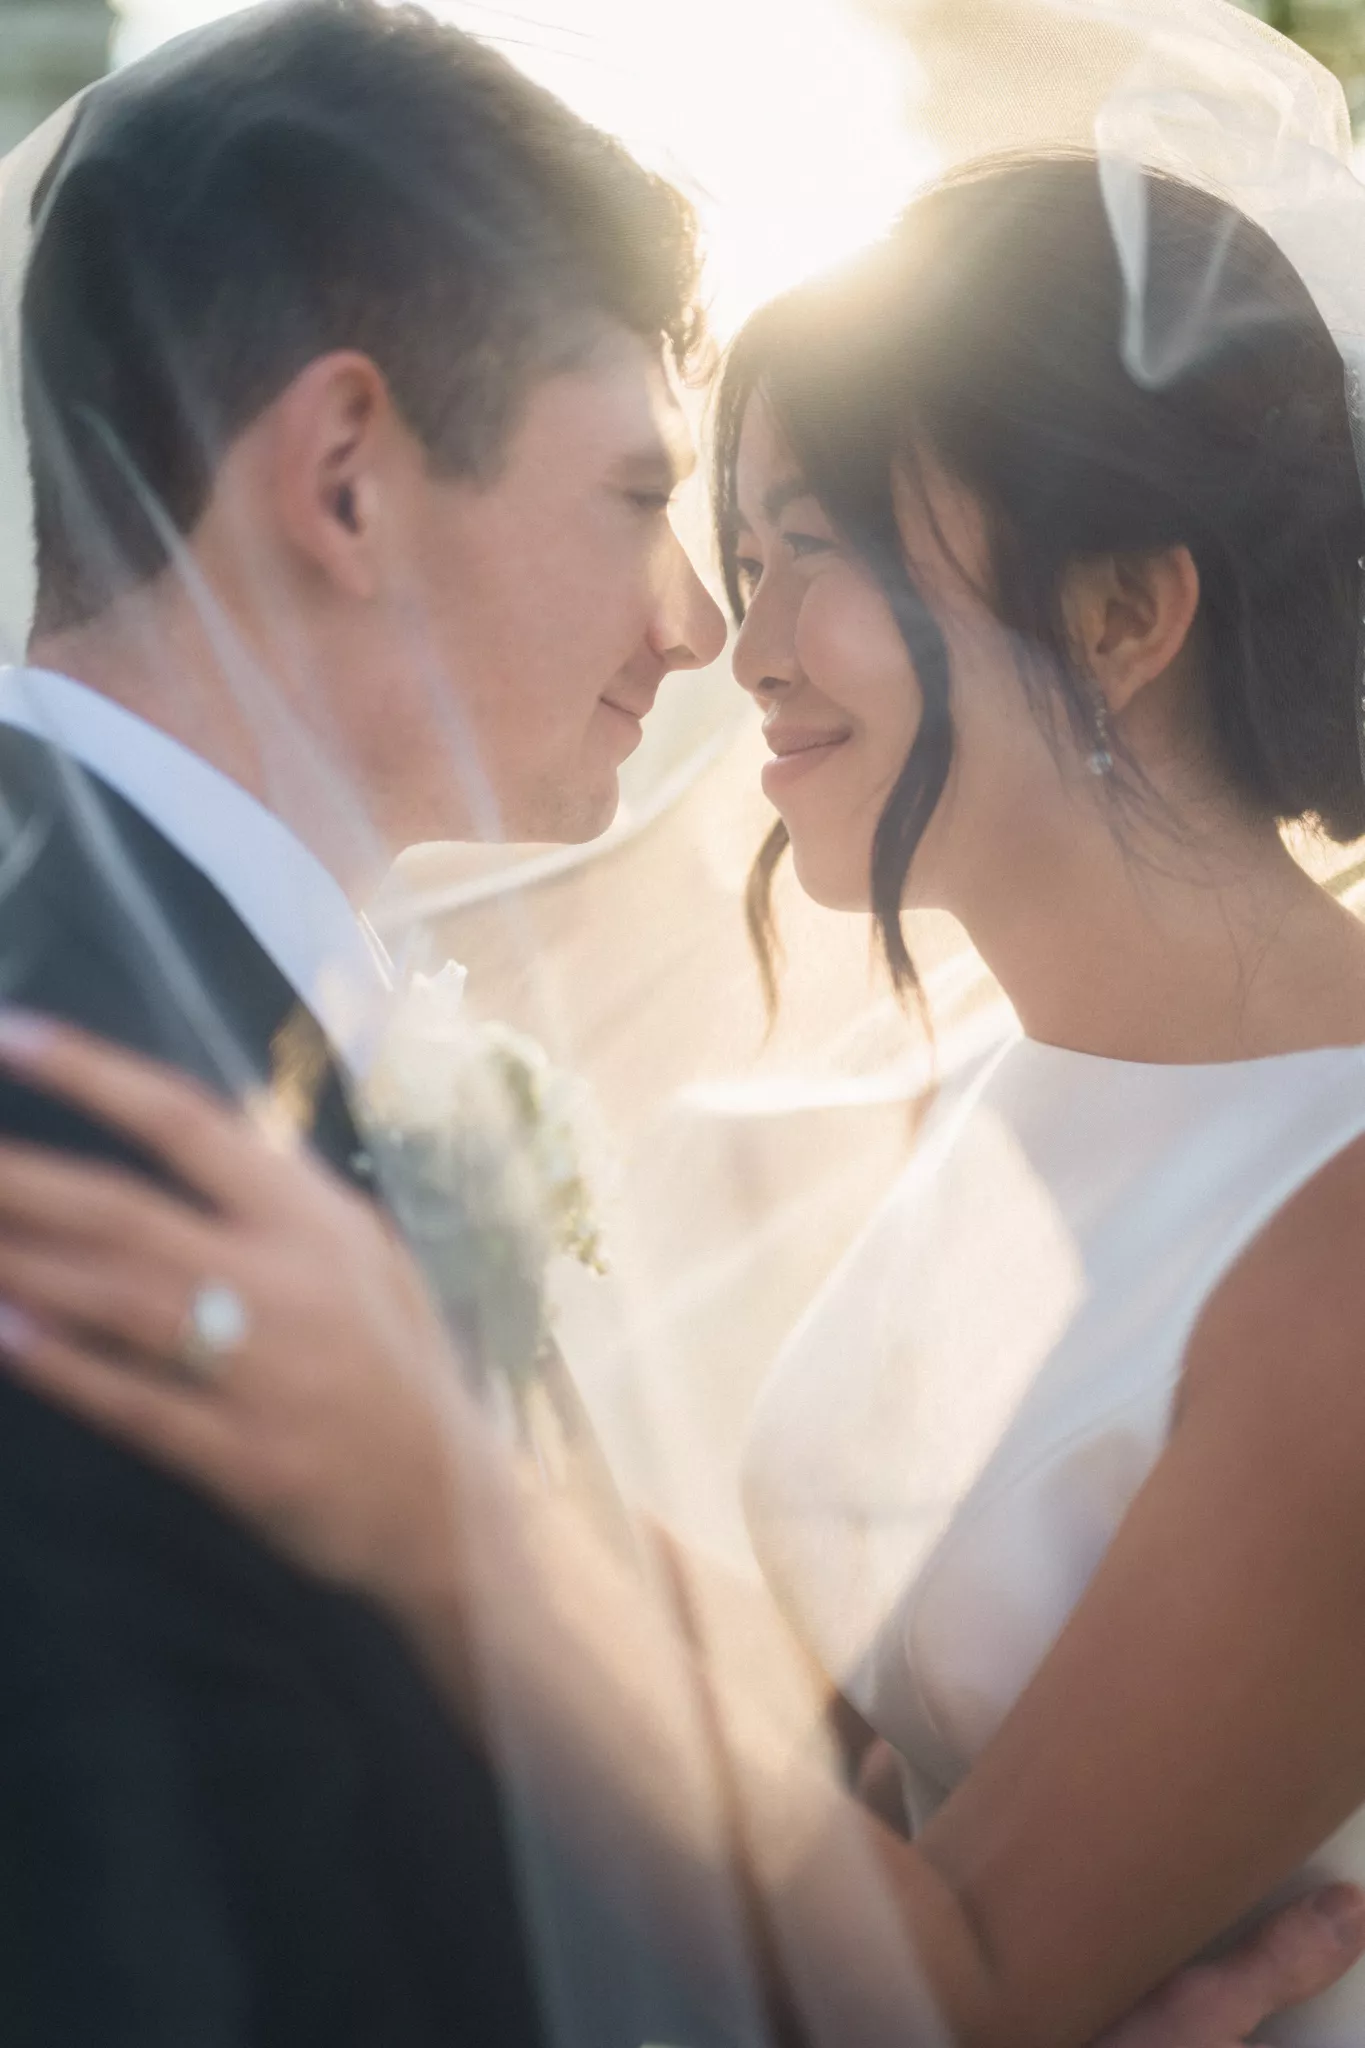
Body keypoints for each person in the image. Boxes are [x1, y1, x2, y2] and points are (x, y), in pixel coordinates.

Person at [5, 108, 1365, 2047]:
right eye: (725, 539)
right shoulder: (1003, 1084)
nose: (730, 643)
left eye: (815, 547)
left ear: (1124, 610)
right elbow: (855, 1750)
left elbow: (960, 1987)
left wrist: (450, 1494)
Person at [0, 3, 728, 2044]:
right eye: (634, 493)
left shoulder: (198, 1017)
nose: (692, 619)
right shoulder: (89, 1155)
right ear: (343, 477)